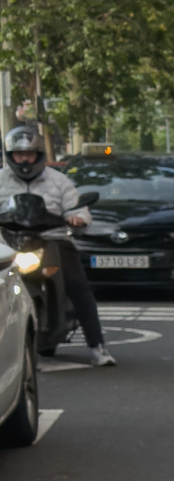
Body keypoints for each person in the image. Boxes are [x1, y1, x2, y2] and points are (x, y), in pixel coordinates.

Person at [4, 125, 112, 368]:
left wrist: (78, 218)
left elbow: (78, 208)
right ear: (10, 156)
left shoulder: (59, 181)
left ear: (39, 154)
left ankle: (97, 346)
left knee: (78, 286)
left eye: (29, 154)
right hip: (10, 241)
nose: (24, 159)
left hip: (53, 239)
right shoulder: (0, 180)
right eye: (18, 154)